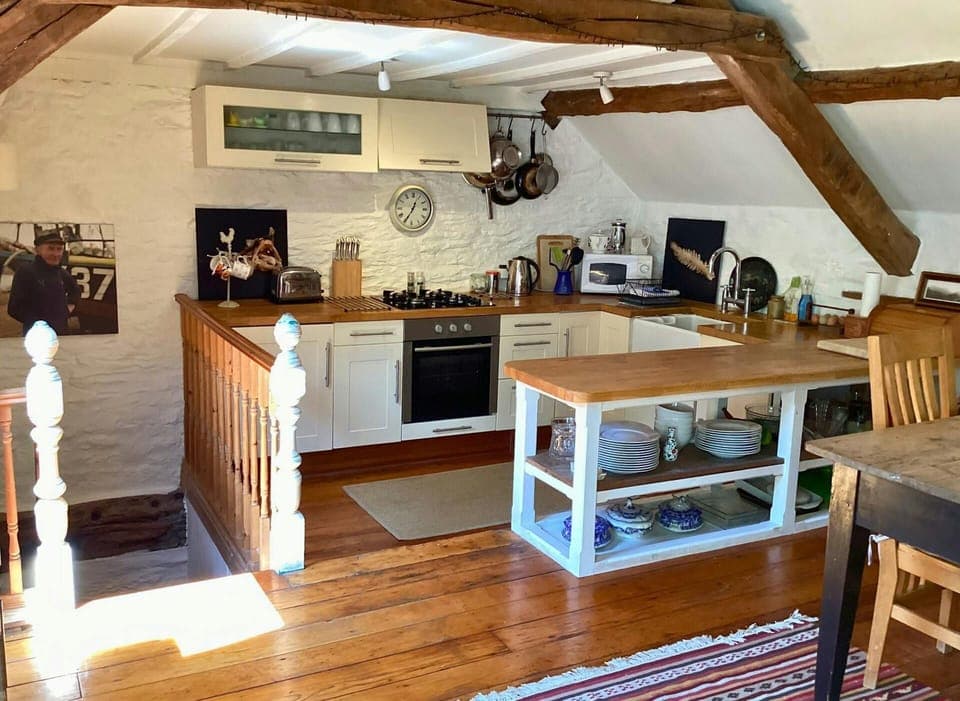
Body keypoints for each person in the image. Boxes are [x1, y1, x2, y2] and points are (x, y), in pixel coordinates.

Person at [7, 229, 81, 335]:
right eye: (51, 249)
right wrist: (38, 324)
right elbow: (14, 308)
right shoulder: (25, 271)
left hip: (62, 333)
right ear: (38, 250)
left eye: (59, 249)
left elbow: (75, 291)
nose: (56, 254)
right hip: (36, 335)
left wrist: (67, 309)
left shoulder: (62, 273)